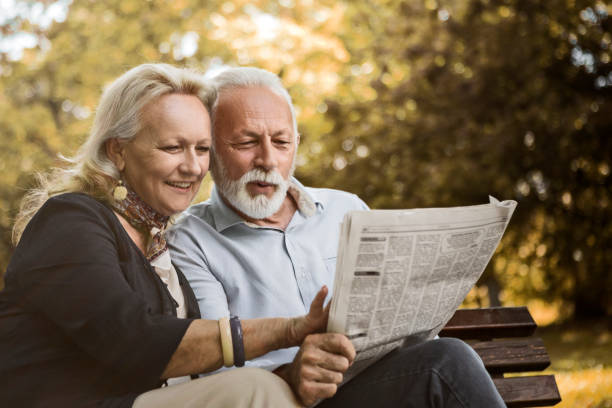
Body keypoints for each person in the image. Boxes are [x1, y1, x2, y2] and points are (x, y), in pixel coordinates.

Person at [0, 63, 338, 408]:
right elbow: (133, 340)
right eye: (173, 148)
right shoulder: (71, 221)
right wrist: (289, 330)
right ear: (118, 150)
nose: (192, 167)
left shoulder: (162, 243)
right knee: (255, 389)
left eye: (202, 149)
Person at [168, 66, 507, 407]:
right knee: (447, 364)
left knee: (443, 358)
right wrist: (291, 376)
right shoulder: (190, 241)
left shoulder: (346, 208)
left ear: (296, 145)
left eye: (282, 142)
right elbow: (213, 376)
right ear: (207, 150)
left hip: (383, 387)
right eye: (246, 142)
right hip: (281, 401)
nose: (268, 160)